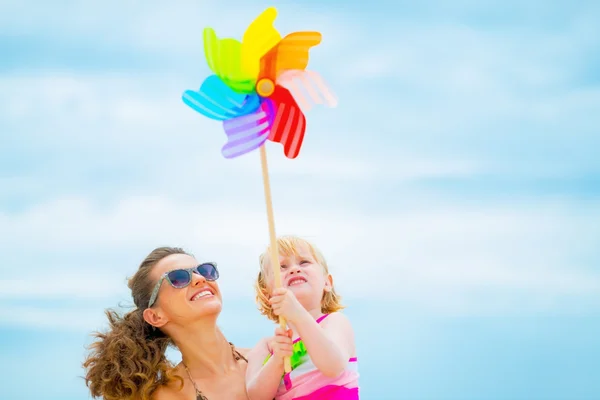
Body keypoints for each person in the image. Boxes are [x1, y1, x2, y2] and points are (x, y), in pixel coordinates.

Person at [83, 246, 250, 400]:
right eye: (178, 278)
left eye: (204, 271)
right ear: (155, 317)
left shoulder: (269, 357)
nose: (200, 278)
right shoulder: (167, 396)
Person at [245, 235, 359, 400]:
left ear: (327, 282)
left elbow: (333, 366)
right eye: (282, 267)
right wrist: (277, 359)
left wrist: (299, 315)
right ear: (267, 293)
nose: (294, 269)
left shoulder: (334, 322)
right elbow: (256, 396)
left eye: (304, 262)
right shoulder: (266, 347)